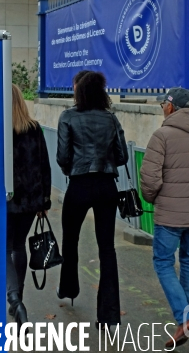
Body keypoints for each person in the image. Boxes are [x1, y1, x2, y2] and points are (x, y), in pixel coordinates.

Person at [140, 88, 189, 349]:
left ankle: (186, 317)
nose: (162, 108)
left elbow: (149, 178)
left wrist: (152, 198)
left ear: (172, 107)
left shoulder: (162, 135)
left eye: (164, 104)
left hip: (170, 214)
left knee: (163, 262)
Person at [56, 70, 128, 328]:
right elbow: (122, 157)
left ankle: (68, 288)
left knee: (70, 239)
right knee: (107, 249)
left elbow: (63, 157)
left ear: (79, 91)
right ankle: (108, 314)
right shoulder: (110, 118)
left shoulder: (68, 117)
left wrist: (73, 169)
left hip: (79, 184)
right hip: (106, 184)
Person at [7, 84, 52, 330]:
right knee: (18, 246)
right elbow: (44, 166)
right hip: (29, 201)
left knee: (3, 249)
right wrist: (44, 201)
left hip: (4, 200)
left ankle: (14, 298)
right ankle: (19, 300)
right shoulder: (34, 129)